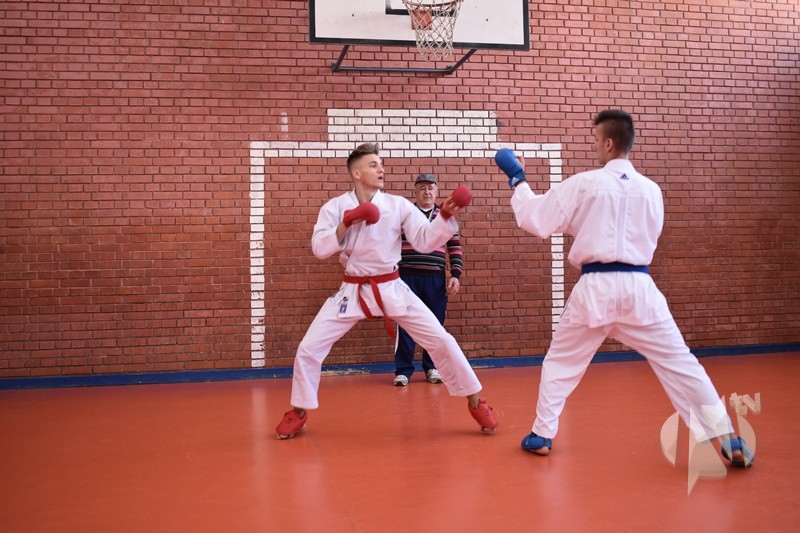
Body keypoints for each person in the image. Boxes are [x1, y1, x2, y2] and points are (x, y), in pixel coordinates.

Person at [495, 109, 753, 467]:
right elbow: (649, 234)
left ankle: (542, 434)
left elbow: (535, 219)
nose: (594, 147)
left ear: (608, 143)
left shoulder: (585, 184)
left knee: (561, 362)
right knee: (680, 363)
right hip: (639, 288)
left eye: (595, 140)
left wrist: (518, 178)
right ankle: (727, 437)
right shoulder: (652, 191)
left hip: (594, 289)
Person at [275, 142, 498, 439]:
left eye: (381, 164)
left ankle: (476, 401)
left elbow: (425, 241)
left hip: (392, 286)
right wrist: (346, 222)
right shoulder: (335, 207)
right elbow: (319, 249)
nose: (381, 169)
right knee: (308, 348)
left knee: (441, 339)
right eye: (373, 165)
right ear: (356, 173)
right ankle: (299, 410)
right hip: (352, 289)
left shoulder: (397, 205)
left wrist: (444, 216)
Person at [392, 173, 463, 387]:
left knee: (435, 325)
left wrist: (455, 275)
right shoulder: (405, 215)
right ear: (415, 191)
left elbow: (454, 247)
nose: (426, 192)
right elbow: (391, 244)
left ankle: (432, 367)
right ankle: (403, 370)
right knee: (405, 323)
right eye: (422, 188)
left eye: (430, 188)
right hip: (406, 276)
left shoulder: (446, 216)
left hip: (435, 278)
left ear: (436, 192)